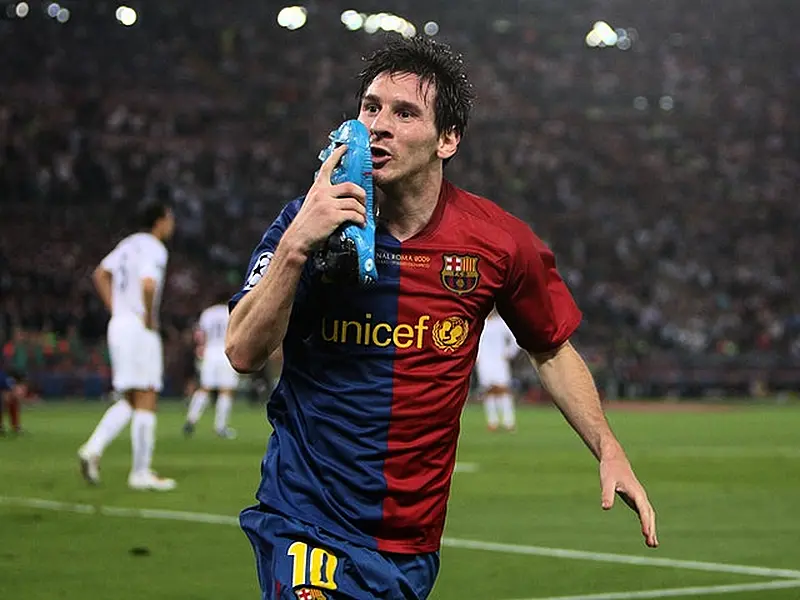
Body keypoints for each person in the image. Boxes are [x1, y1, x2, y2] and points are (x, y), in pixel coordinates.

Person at [225, 36, 658, 600]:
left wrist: (608, 446)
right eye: (371, 107)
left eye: (405, 113)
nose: (379, 125)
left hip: (410, 542)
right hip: (306, 518)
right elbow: (242, 351)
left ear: (447, 140)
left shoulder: (497, 242)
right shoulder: (308, 220)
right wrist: (296, 246)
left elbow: (550, 347)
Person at [77, 201, 176, 491]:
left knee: (131, 398)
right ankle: (141, 473)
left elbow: (100, 274)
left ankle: (92, 449)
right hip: (138, 327)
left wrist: (116, 307)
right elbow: (148, 285)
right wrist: (148, 316)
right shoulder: (154, 248)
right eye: (170, 218)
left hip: (119, 324)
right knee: (147, 395)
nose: (172, 224)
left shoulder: (127, 244)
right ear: (159, 221)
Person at [183, 293, 239, 439]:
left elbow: (200, 335)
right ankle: (220, 427)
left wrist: (201, 350)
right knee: (225, 391)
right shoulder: (231, 310)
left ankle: (191, 419)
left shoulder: (207, 313)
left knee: (204, 388)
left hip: (210, 352)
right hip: (226, 351)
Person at [475, 307, 519, 432]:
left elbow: (515, 339)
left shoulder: (501, 323)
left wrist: (509, 353)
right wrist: (477, 357)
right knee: (488, 392)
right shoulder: (480, 322)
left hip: (499, 361)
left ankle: (508, 421)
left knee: (503, 390)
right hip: (484, 362)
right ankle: (492, 421)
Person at [0, 368, 27, 436]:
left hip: (6, 394)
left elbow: (9, 394)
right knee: (10, 401)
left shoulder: (5, 378)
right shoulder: (4, 378)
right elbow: (7, 396)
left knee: (13, 402)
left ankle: (16, 427)